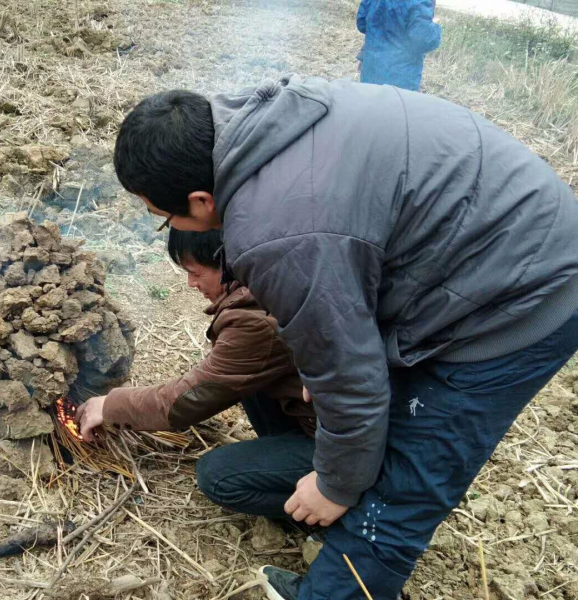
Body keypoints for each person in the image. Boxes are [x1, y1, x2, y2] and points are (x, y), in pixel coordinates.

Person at [96, 76, 578, 599]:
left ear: (199, 198)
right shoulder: (267, 119)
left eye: (164, 216)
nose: (168, 224)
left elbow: (351, 379)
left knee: (401, 491)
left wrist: (334, 485)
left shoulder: (280, 234)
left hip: (520, 291)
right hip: (478, 240)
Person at [78, 228, 318, 523]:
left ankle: (337, 515)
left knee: (217, 476)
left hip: (341, 448)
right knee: (248, 382)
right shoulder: (268, 278)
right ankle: (285, 455)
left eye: (195, 272)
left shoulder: (256, 320)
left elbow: (187, 400)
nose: (191, 283)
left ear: (226, 262)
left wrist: (109, 406)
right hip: (318, 417)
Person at [357, 0, 441, 90]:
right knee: (397, 103)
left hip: (370, 71)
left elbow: (362, 23)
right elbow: (424, 41)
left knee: (370, 101)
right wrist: (434, 25)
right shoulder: (420, 2)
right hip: (400, 79)